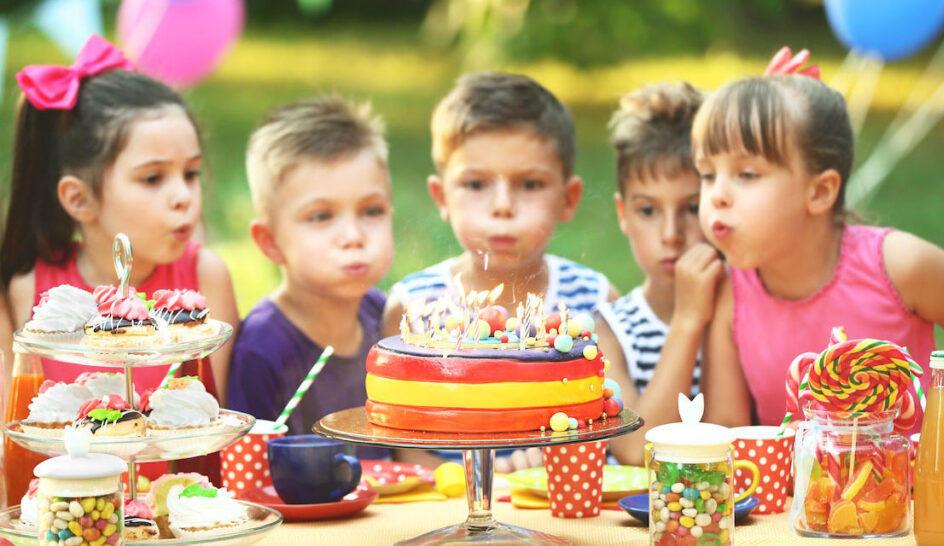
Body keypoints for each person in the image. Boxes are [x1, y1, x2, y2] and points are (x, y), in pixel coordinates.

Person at [693, 73, 944, 439]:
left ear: (819, 192)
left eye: (747, 174)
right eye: (707, 174)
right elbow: (728, 431)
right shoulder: (729, 293)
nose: (716, 195)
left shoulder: (901, 266)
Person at [382, 72, 619, 470]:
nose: (503, 205)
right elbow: (402, 442)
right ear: (441, 197)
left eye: (529, 183)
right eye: (476, 184)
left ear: (568, 198)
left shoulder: (594, 302)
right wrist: (470, 480)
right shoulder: (415, 307)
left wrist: (554, 467)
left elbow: (609, 421)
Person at [0, 35, 238, 401]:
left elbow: (208, 422)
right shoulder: (29, 292)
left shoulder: (206, 278)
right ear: (79, 199)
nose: (183, 197)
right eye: (153, 178)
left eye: (190, 173)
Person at [226, 96, 392, 459]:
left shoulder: (385, 318)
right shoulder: (263, 348)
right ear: (270, 243)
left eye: (372, 210)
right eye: (321, 216)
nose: (353, 235)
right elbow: (251, 477)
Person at [594, 82, 723, 466]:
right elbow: (635, 450)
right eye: (648, 211)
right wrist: (687, 320)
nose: (671, 235)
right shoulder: (610, 330)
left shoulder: (745, 309)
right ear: (623, 215)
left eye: (691, 207)